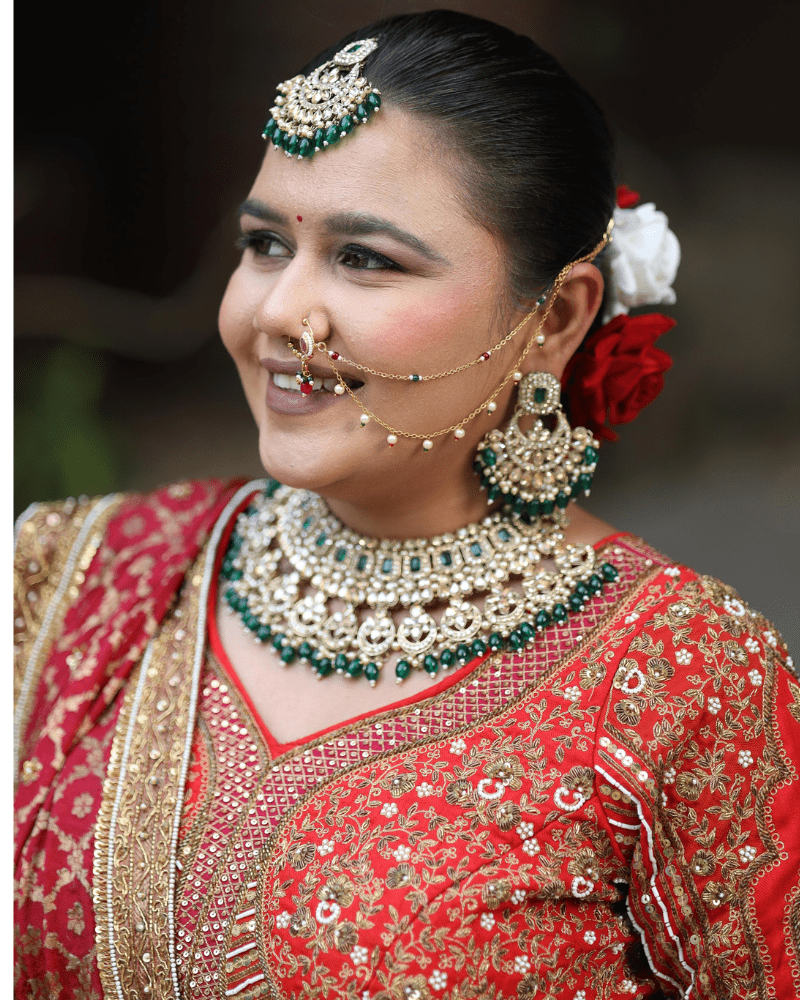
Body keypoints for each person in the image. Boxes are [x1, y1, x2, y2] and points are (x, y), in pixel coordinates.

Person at [13, 11, 799, 999]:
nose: (275, 313)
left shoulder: (681, 673)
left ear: (552, 316)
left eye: (365, 258)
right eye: (262, 243)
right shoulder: (78, 572)